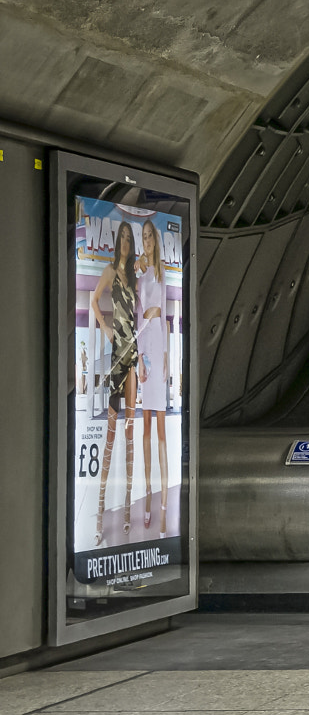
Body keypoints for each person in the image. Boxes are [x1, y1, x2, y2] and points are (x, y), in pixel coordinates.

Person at [87, 219, 139, 544]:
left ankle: (129, 511)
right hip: (115, 359)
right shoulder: (109, 272)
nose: (123, 242)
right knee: (109, 435)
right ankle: (100, 509)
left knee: (130, 433)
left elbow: (135, 318)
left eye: (127, 238)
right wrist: (105, 327)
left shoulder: (133, 278)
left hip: (131, 358)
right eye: (120, 237)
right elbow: (94, 302)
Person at [135, 221, 170, 531]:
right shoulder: (141, 273)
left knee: (161, 430)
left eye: (149, 235)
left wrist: (166, 358)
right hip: (144, 339)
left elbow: (167, 318)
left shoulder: (162, 270)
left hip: (159, 338)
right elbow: (137, 316)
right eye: (142, 236)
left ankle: (162, 502)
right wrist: (138, 359)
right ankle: (147, 495)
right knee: (145, 426)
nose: (146, 240)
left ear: (155, 239)